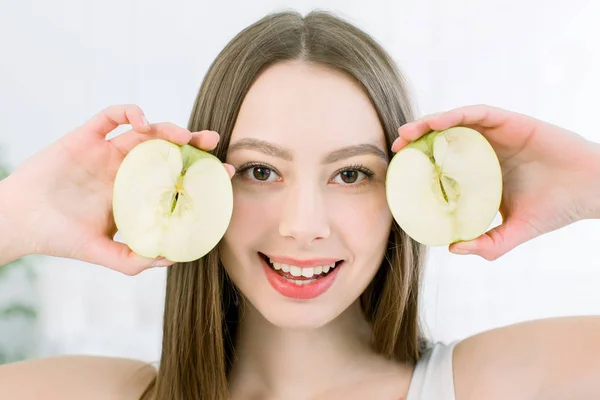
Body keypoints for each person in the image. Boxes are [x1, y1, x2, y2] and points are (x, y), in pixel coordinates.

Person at [1, 9, 600, 400]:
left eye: (351, 174)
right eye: (261, 171)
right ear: (199, 187)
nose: (304, 226)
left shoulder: (497, 384)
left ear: (401, 192)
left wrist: (587, 179)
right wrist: (19, 215)